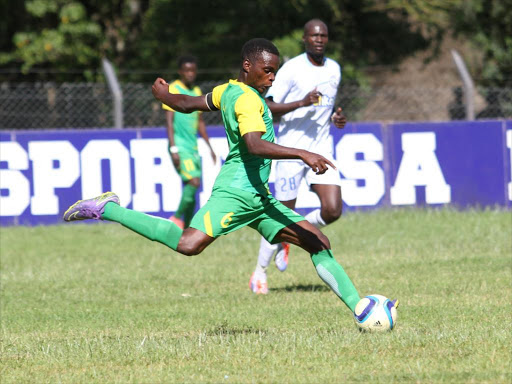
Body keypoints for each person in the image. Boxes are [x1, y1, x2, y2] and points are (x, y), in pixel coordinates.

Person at [63, 38, 397, 318]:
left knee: (318, 242)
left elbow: (190, 102)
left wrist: (165, 97)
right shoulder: (248, 100)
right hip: (236, 192)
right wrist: (302, 153)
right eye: (267, 70)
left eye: (275, 71)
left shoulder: (228, 91)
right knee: (188, 244)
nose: (272, 77)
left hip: (259, 197)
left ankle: (361, 309)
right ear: (248, 66)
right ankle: (108, 209)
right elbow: (253, 144)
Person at [250, 19, 347, 294]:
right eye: (314, 35)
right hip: (291, 150)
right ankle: (259, 273)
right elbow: (268, 107)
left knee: (333, 210)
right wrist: (301, 102)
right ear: (304, 39)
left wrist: (337, 118)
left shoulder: (335, 69)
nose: (319, 39)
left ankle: (291, 238)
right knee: (282, 214)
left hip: (322, 147)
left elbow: (325, 108)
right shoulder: (292, 69)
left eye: (324, 35)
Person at [163, 55, 216, 229]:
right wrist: (173, 148)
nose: (190, 74)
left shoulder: (197, 91)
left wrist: (209, 146)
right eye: (186, 70)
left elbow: (200, 121)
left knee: (192, 187)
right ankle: (177, 218)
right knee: (194, 182)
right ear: (180, 72)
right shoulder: (173, 89)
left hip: (193, 146)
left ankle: (186, 227)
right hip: (179, 145)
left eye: (193, 70)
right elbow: (169, 122)